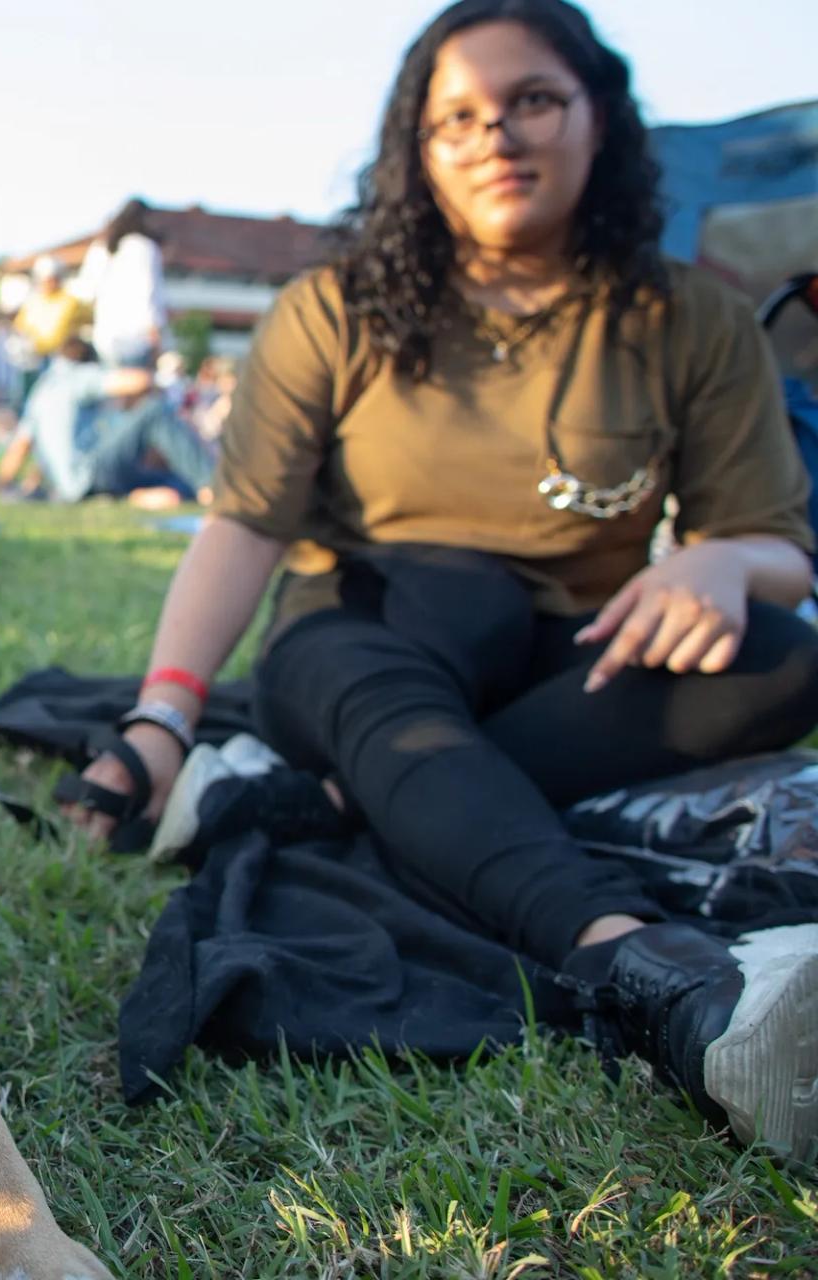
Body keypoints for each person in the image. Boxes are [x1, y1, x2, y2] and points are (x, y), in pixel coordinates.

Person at [65, 0, 818, 1161]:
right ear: (416, 152)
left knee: (781, 652)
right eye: (456, 118)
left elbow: (778, 545)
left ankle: (335, 802)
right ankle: (657, 976)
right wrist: (161, 716)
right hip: (360, 632)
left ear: (600, 118)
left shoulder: (694, 316)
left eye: (532, 101)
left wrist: (724, 557)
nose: (497, 137)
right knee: (431, 640)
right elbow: (245, 526)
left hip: (571, 653)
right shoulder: (336, 307)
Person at [20, 339, 214, 503]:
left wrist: (5, 483)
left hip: (71, 486)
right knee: (154, 411)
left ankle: (148, 495)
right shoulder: (77, 375)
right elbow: (138, 381)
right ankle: (210, 486)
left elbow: (22, 445)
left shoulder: (41, 390)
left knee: (175, 482)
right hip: (91, 473)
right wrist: (165, 379)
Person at [77, 198, 167, 369]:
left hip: (104, 337)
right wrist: (155, 335)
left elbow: (86, 291)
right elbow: (148, 293)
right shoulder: (144, 247)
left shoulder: (101, 247)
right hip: (136, 339)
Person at [13, 257, 85, 361]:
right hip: (34, 358)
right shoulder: (32, 302)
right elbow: (20, 327)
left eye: (53, 278)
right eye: (46, 279)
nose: (49, 282)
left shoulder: (71, 301)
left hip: (63, 358)